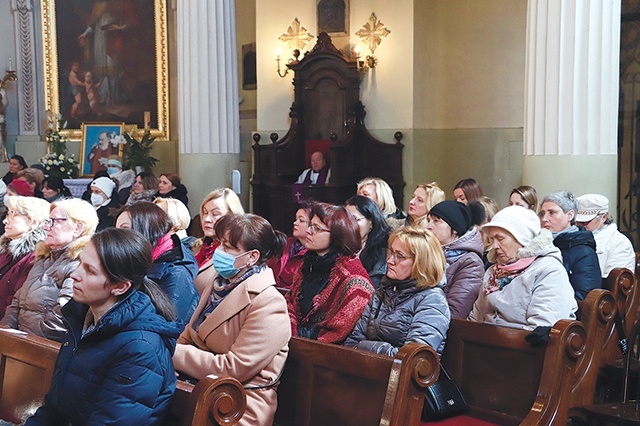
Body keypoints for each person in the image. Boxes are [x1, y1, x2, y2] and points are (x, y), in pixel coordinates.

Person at [25, 228, 181, 425]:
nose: (74, 274)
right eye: (80, 263)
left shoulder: (139, 348)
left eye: (89, 270)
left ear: (120, 287)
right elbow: (54, 409)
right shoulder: (82, 323)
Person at [173, 214, 290, 426]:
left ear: (252, 257)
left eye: (228, 247)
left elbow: (234, 367)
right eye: (220, 243)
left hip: (237, 405)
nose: (219, 252)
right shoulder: (218, 283)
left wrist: (173, 352)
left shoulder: (269, 303)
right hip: (200, 387)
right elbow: (189, 334)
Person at [0, 199, 98, 342]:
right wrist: (6, 331)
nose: (46, 228)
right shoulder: (43, 258)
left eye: (54, 221)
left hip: (40, 347)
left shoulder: (80, 263)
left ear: (77, 228)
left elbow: (62, 318)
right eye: (47, 221)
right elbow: (16, 302)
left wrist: (23, 340)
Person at [344, 227, 450, 356]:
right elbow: (351, 344)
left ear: (421, 263)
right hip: (368, 369)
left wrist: (365, 346)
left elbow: (412, 357)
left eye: (400, 256)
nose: (389, 261)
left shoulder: (433, 300)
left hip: (401, 374)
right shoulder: (383, 292)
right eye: (391, 253)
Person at [469, 206, 578, 330]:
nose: (494, 245)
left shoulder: (549, 271)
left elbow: (543, 328)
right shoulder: (493, 271)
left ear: (522, 238)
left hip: (520, 346)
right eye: (492, 239)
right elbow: (475, 318)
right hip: (485, 343)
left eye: (500, 239)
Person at [286, 203, 374, 343]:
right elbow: (289, 301)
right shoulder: (308, 263)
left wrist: (290, 334)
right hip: (293, 343)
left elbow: (336, 333)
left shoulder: (354, 281)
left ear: (337, 235)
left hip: (328, 356)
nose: (309, 231)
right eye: (310, 225)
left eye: (317, 228)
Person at [116, 202, 199, 324]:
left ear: (147, 229)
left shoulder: (177, 274)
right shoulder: (138, 259)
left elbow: (168, 325)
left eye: (125, 229)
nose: (117, 237)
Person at [426, 200, 484, 319]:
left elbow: (456, 313)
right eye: (428, 221)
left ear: (455, 228)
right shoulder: (426, 253)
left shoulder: (470, 263)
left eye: (436, 221)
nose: (428, 226)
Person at [539, 191, 601, 300]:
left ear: (570, 215)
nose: (544, 219)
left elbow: (584, 298)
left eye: (552, 212)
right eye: (542, 213)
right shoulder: (538, 245)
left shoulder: (584, 253)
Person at [0, 196, 49, 318]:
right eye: (7, 214)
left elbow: (17, 302)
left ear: (33, 222)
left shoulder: (36, 257)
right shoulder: (6, 250)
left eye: (13, 214)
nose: (5, 221)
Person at [193, 188, 244, 293]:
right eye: (205, 213)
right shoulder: (197, 246)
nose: (207, 219)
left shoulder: (236, 254)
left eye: (215, 214)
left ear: (233, 216)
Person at [576, 194, 635, 277]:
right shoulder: (572, 237)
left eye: (586, 222)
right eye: (578, 221)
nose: (580, 225)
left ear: (604, 217)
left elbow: (616, 281)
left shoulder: (620, 242)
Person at [345, 195, 392, 289]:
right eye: (345, 219)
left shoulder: (385, 254)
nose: (349, 225)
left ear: (371, 223)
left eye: (355, 219)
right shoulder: (337, 248)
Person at [268, 200, 314, 289]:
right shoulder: (285, 243)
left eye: (301, 220)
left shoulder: (314, 253)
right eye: (295, 219)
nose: (295, 223)